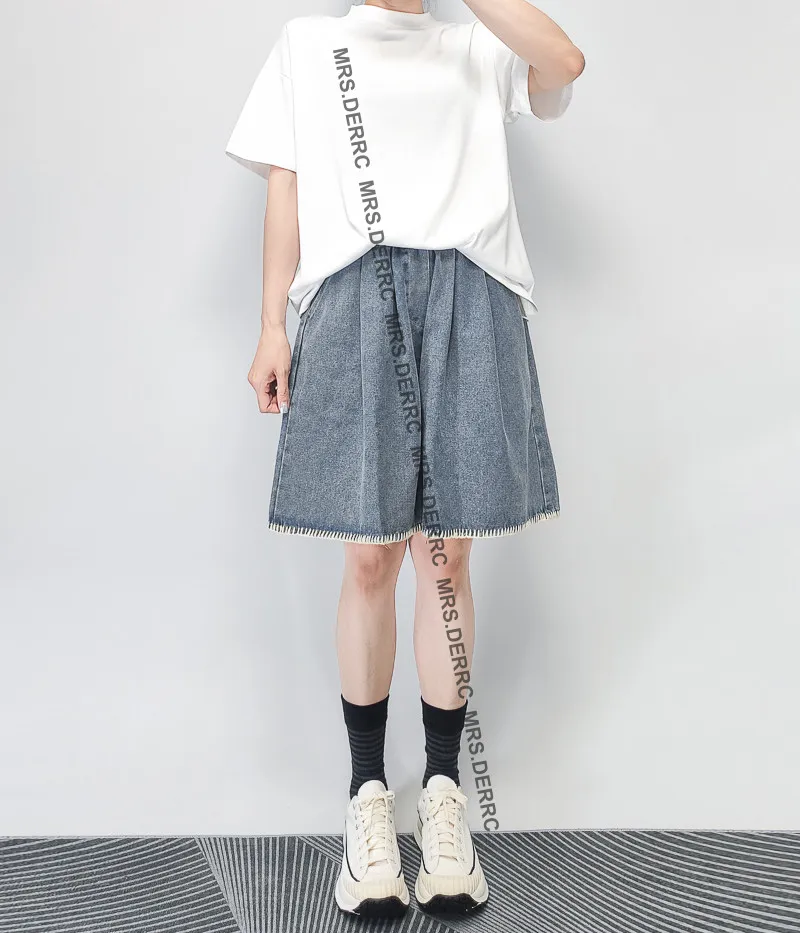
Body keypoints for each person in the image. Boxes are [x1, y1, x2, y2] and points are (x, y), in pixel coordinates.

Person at [225, 0, 584, 917]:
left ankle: (445, 796)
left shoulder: (478, 45)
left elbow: (565, 64)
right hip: (354, 295)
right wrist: (271, 324)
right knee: (370, 557)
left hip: (471, 293)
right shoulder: (312, 44)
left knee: (447, 557)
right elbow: (286, 182)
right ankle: (368, 803)